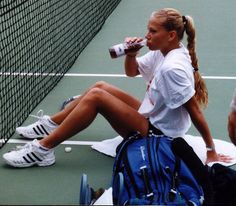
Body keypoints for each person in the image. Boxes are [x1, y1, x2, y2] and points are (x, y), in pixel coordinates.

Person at [3, 8, 229, 168]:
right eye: (147, 29)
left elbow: (194, 111)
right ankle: (51, 124)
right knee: (101, 86)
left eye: (153, 31)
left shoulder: (173, 67)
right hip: (152, 116)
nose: (146, 35)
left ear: (170, 35)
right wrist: (131, 54)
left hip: (161, 136)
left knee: (97, 97)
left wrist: (210, 151)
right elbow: (132, 72)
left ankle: (43, 150)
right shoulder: (164, 52)